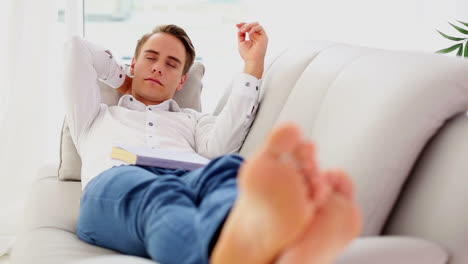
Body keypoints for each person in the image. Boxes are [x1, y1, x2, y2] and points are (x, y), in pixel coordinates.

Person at [65, 22, 361, 264]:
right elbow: (77, 50)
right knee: (162, 195)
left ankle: (268, 238)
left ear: (181, 81)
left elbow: (222, 146)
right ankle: (230, 253)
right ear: (133, 64)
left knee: (229, 168)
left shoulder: (192, 120)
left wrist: (253, 64)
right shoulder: (95, 116)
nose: (158, 68)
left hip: (188, 177)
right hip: (117, 182)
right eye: (151, 57)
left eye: (171, 64)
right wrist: (123, 79)